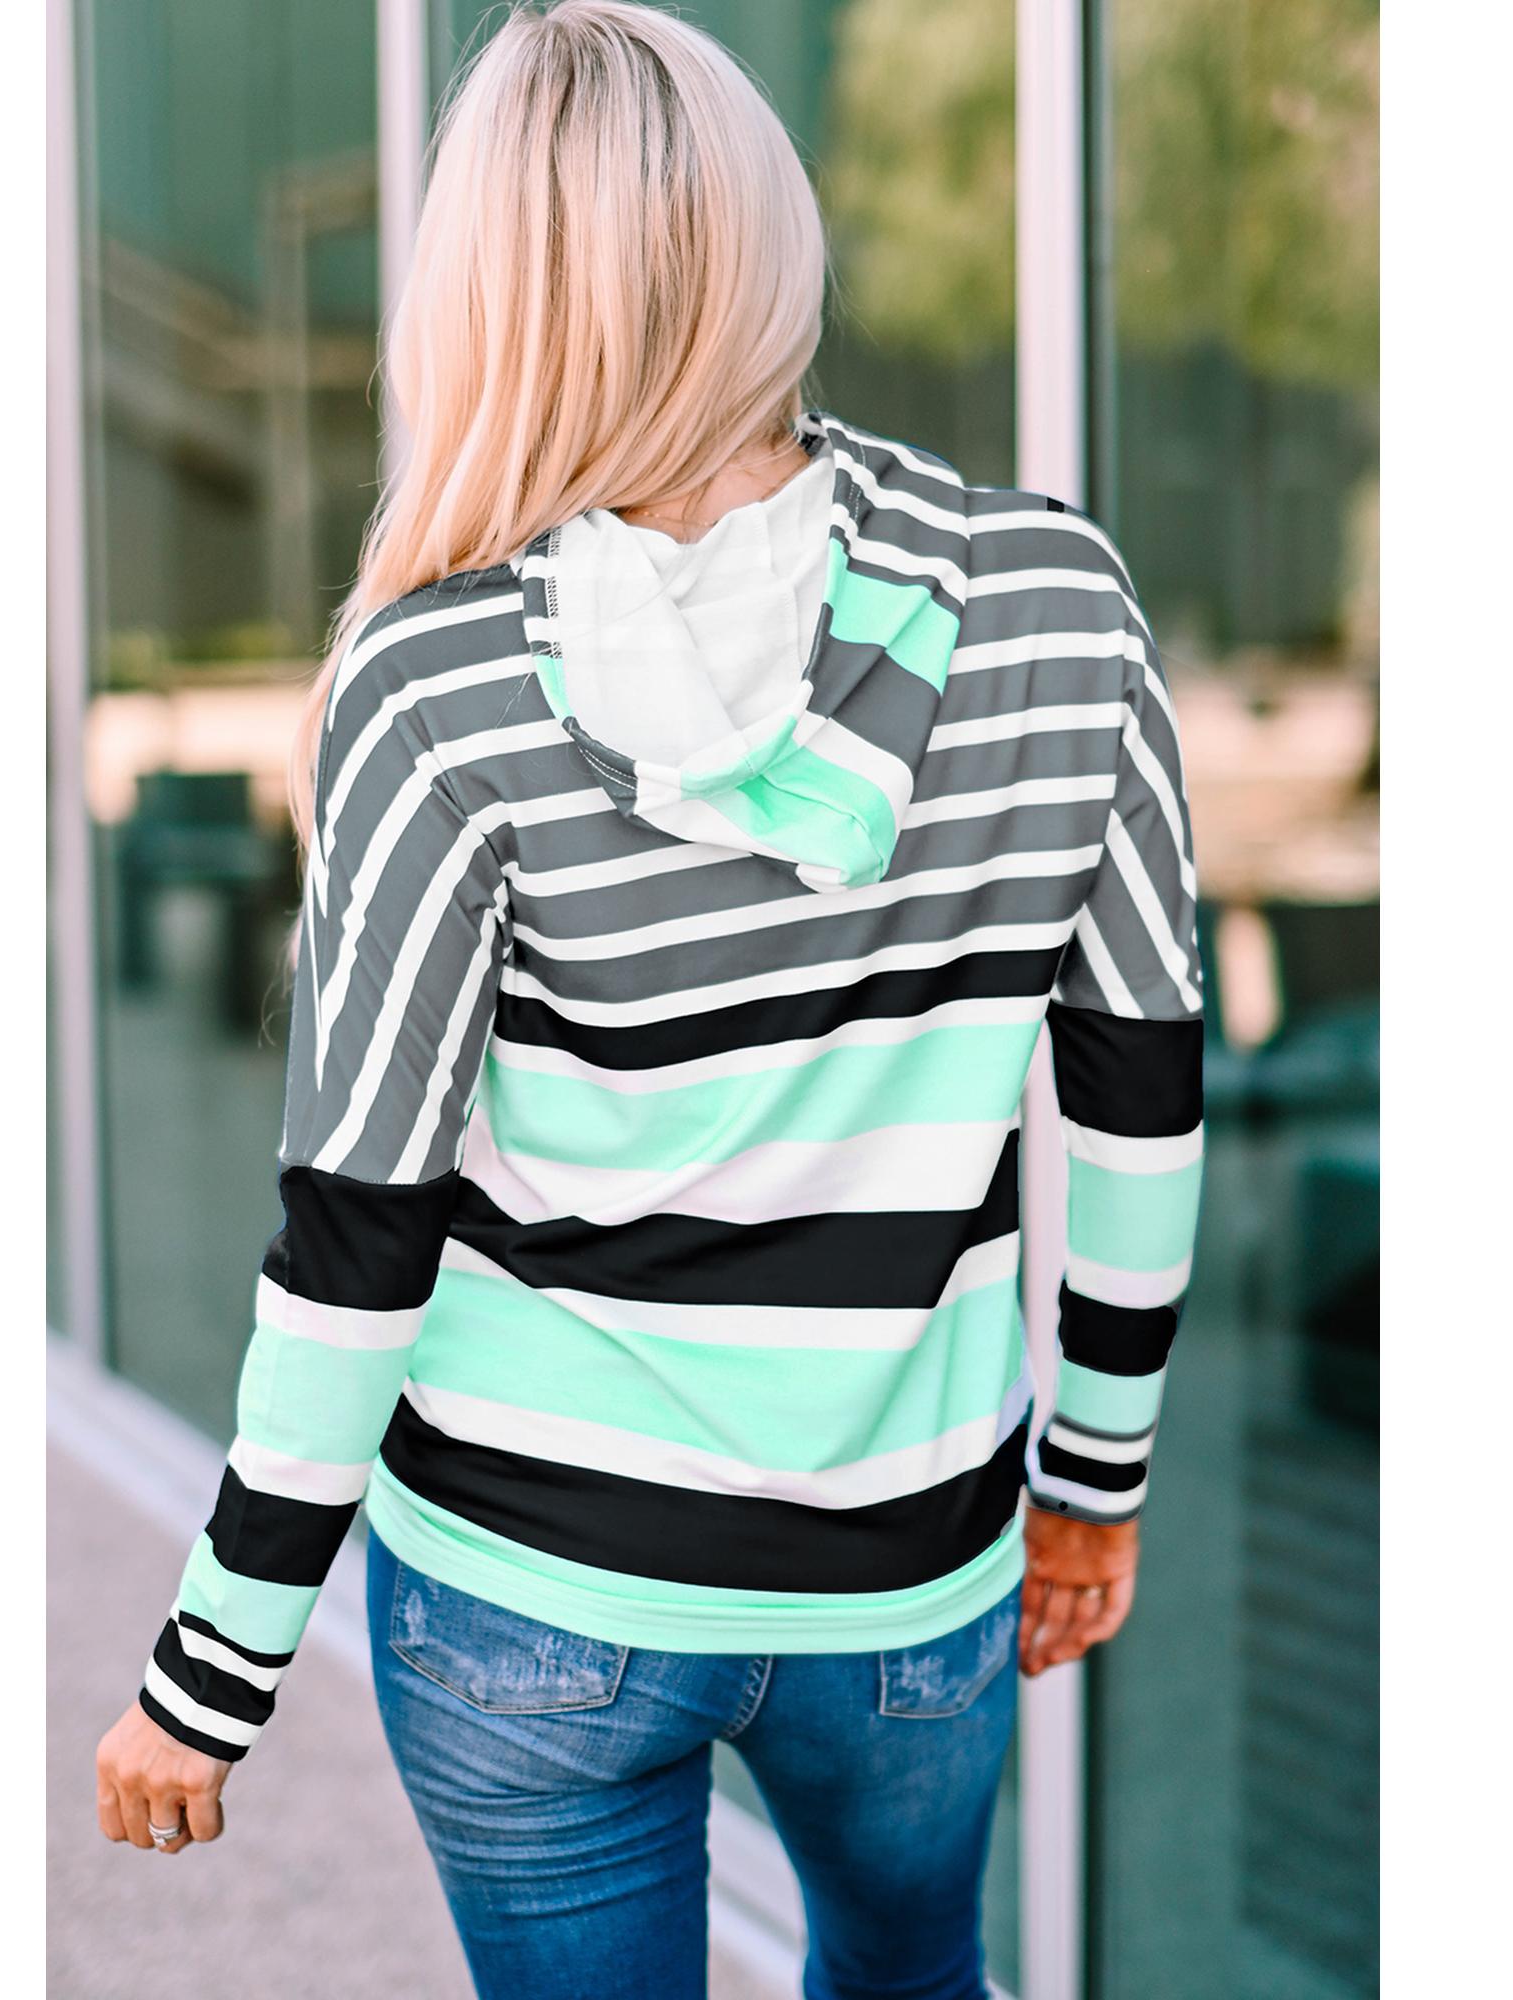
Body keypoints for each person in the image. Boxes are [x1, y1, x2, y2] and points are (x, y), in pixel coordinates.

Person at [95, 5, 1204, 1996]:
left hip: (534, 1596)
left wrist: (214, 1667)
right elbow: (1136, 1092)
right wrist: (1091, 1488)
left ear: (486, 298)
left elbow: (358, 1228)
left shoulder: (434, 686)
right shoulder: (1055, 601)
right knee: (911, 1973)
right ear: (774, 242)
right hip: (909, 1575)